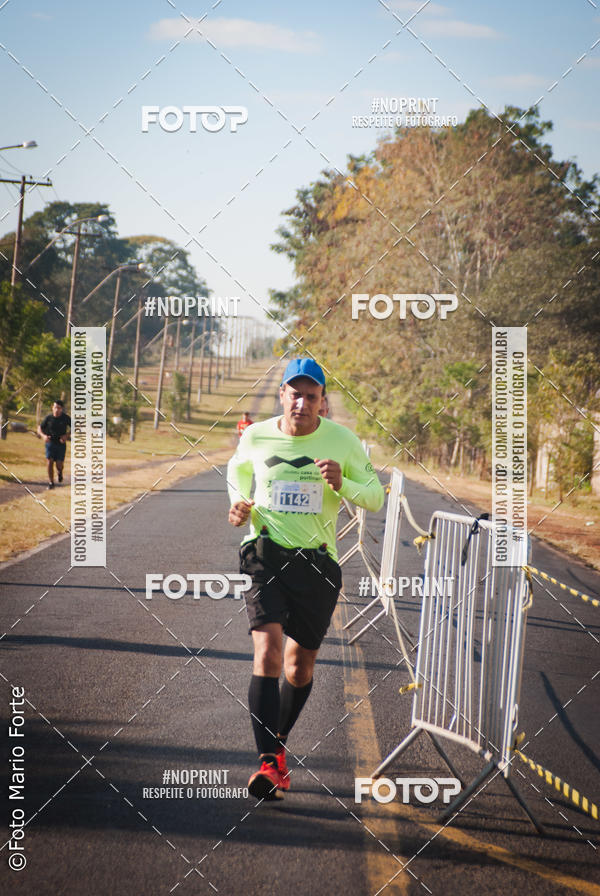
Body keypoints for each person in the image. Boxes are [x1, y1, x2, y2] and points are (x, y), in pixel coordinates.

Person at [227, 358, 384, 800]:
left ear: (322, 401)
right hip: (265, 554)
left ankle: (276, 749)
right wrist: (240, 502)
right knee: (268, 651)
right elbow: (237, 470)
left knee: (298, 667)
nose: (301, 402)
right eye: (294, 394)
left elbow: (374, 495)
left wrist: (344, 484)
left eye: (310, 396)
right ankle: (268, 763)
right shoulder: (256, 435)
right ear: (282, 395)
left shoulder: (343, 440)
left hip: (317, 563)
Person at [37, 399, 71, 489]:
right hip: (50, 442)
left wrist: (66, 435)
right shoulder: (48, 418)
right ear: (52, 407)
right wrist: (43, 436)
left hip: (61, 443)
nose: (57, 409)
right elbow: (39, 428)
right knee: (49, 461)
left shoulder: (66, 418)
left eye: (59, 408)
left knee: (59, 464)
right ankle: (51, 482)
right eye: (55, 407)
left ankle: (60, 472)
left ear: (62, 409)